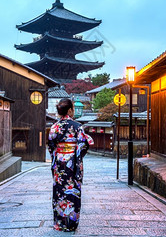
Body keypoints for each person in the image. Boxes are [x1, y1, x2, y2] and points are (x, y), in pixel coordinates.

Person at [47, 98, 94, 232]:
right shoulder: (77, 126)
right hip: (72, 163)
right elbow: (83, 145)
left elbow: (51, 146)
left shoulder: (54, 127)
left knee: (59, 192)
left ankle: (59, 223)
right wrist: (76, 156)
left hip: (59, 163)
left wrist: (57, 159)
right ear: (69, 110)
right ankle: (71, 224)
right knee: (73, 192)